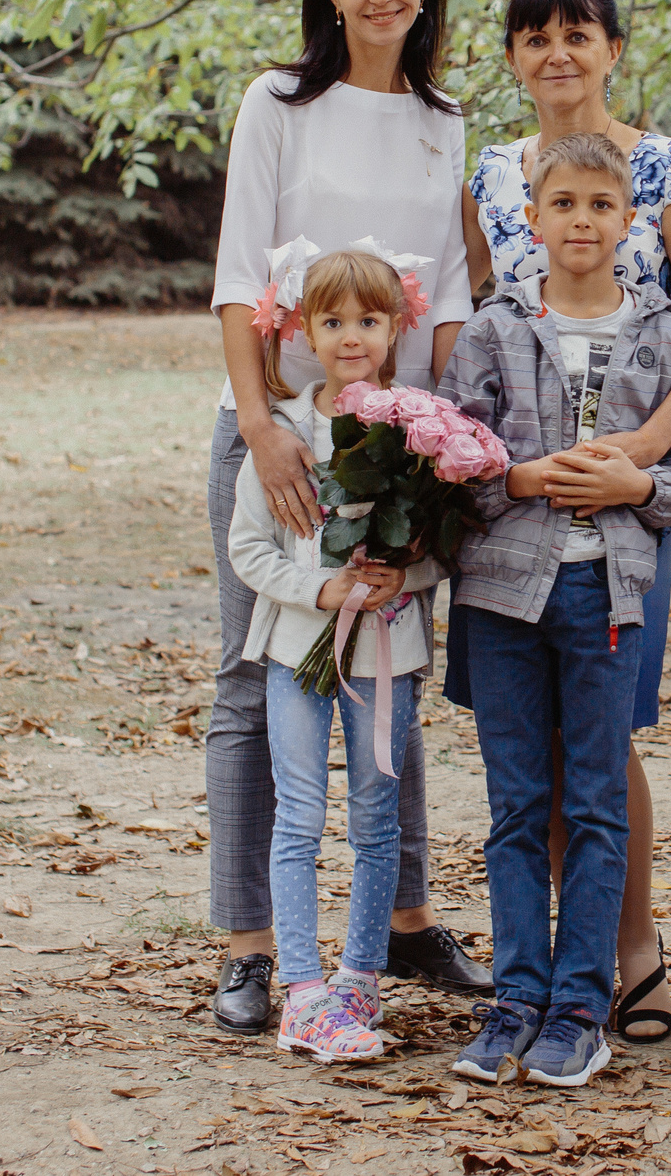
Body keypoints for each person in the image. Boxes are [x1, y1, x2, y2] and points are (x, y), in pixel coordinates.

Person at [205, 0, 491, 1040]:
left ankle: (402, 922)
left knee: (390, 674)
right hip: (287, 428)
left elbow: (454, 303)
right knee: (256, 674)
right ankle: (248, 947)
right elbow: (238, 276)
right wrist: (261, 421)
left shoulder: (444, 116)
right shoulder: (279, 104)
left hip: (403, 448)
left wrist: (440, 449)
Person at [456, 0, 671, 1039]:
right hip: (515, 506)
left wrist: (647, 454)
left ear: (612, 49)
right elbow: (477, 318)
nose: (558, 55)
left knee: (606, 733)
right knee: (529, 746)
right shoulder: (493, 175)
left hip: (629, 490)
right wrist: (465, 460)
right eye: (536, 38)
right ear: (515, 58)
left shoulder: (666, 167)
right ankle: (542, 972)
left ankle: (630, 955)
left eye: (579, 35)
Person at [440, 133, 671, 1087]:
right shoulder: (492, 329)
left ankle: (581, 1007)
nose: (583, 222)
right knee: (518, 805)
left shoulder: (666, 336)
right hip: (503, 594)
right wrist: (514, 474)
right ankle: (516, 997)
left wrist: (634, 486)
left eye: (602, 205)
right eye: (565, 205)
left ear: (630, 221)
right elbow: (452, 464)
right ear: (533, 219)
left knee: (596, 803)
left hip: (606, 592)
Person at [226, 247, 446, 1061]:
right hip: (297, 650)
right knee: (300, 811)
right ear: (301, 330)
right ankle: (303, 987)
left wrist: (403, 570)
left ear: (395, 329)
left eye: (368, 320)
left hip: (385, 652)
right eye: (332, 321)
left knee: (378, 816)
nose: (351, 336)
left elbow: (437, 549)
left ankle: (360, 975)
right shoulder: (285, 436)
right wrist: (319, 591)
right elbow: (249, 548)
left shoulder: (416, 429)